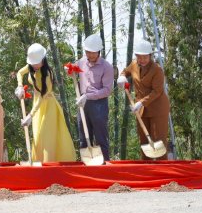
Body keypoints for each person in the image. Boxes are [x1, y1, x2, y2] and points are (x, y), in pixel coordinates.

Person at [15, 43, 75, 162]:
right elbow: (19, 73)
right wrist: (20, 86)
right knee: (38, 137)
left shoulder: (48, 74)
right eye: (33, 63)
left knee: (47, 137)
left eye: (37, 62)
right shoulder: (31, 66)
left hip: (48, 106)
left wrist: (30, 116)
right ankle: (38, 163)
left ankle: (50, 164)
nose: (35, 65)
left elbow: (42, 97)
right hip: (37, 105)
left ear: (43, 59)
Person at [118, 38, 170, 160]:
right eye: (139, 57)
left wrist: (141, 102)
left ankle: (163, 171)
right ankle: (147, 170)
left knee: (158, 141)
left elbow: (157, 91)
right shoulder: (134, 64)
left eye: (145, 57)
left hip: (158, 108)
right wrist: (122, 76)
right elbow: (125, 72)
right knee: (144, 141)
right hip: (141, 110)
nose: (142, 60)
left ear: (150, 55)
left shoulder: (157, 70)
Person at [73, 33, 114, 163]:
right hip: (83, 104)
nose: (90, 55)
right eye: (88, 52)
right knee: (83, 137)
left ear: (99, 51)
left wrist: (88, 96)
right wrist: (69, 69)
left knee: (101, 137)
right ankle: (87, 165)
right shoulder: (81, 62)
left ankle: (105, 164)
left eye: (93, 52)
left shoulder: (106, 67)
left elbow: (107, 90)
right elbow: (72, 69)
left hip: (99, 105)